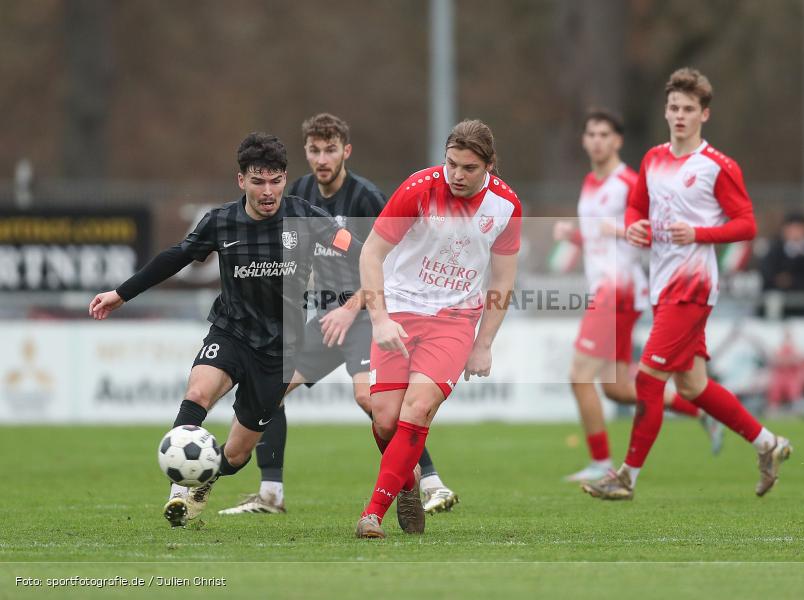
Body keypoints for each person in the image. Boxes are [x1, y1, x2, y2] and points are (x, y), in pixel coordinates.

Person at [89, 132, 357, 527]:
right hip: (231, 333)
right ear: (241, 180)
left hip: (280, 353)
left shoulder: (308, 218)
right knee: (197, 393)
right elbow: (176, 257)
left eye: (276, 181)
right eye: (258, 181)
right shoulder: (221, 221)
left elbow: (360, 250)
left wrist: (360, 293)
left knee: (235, 454)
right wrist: (121, 294)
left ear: (285, 178)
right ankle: (178, 489)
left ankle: (205, 479)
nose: (268, 191)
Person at [218, 114, 459, 516]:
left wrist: (350, 309)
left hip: (365, 315)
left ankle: (431, 483)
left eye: (330, 149)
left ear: (346, 151)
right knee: (271, 388)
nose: (322, 158)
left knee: (369, 399)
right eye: (314, 150)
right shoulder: (298, 193)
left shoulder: (367, 198)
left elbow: (391, 264)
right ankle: (271, 493)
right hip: (326, 319)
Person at [582, 68, 793, 501]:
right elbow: (635, 208)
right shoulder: (653, 159)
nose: (680, 115)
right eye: (674, 107)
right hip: (662, 285)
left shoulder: (717, 166)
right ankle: (768, 443)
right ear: (666, 111)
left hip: (692, 286)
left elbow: (746, 225)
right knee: (693, 387)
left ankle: (625, 478)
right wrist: (634, 226)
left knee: (648, 380)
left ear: (704, 114)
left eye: (689, 109)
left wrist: (699, 233)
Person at [354, 119, 521, 538]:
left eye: (469, 168)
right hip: (400, 310)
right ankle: (407, 484)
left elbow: (503, 280)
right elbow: (371, 253)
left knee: (416, 409)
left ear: (489, 166)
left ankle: (372, 514)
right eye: (452, 164)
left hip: (455, 320)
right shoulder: (418, 189)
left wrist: (484, 344)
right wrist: (380, 318)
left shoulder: (505, 206)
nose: (457, 175)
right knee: (385, 420)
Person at [554, 110, 723, 483]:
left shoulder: (629, 182)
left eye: (604, 134)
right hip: (606, 289)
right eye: (591, 134)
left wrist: (615, 229)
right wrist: (575, 237)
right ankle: (701, 411)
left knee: (579, 376)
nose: (597, 140)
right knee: (616, 389)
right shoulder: (589, 182)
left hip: (619, 289)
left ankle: (600, 463)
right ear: (584, 140)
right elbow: (599, 239)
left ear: (617, 141)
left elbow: (654, 234)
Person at [759, 211, 804, 317]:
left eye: (799, 229)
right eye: (792, 229)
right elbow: (768, 276)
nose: (795, 233)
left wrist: (792, 281)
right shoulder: (774, 250)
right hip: (777, 309)